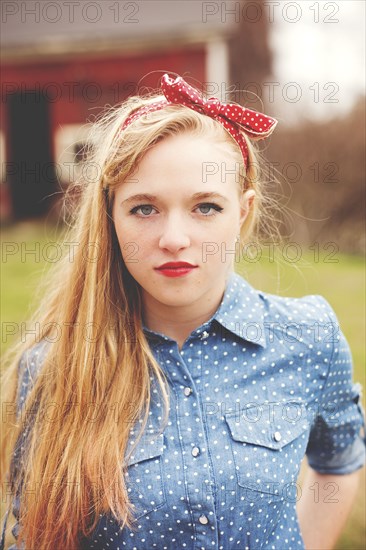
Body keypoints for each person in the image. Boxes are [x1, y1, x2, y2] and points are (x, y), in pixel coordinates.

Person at [1, 73, 365, 550]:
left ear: (243, 210)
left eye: (206, 207)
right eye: (144, 209)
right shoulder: (54, 368)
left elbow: (337, 461)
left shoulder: (308, 338)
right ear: (110, 218)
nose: (174, 238)